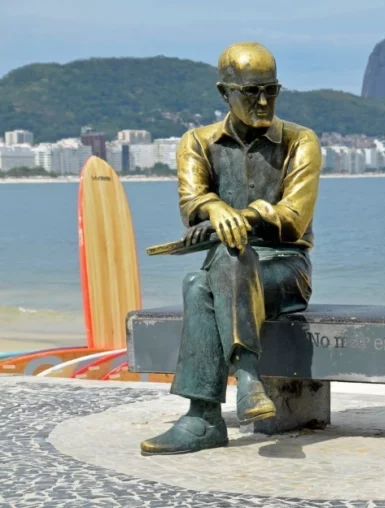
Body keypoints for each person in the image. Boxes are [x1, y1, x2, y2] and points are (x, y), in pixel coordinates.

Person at [140, 41, 322, 456]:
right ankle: (243, 385)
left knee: (213, 268)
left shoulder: (300, 142)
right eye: (251, 92)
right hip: (227, 272)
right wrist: (215, 208)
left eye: (271, 90)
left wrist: (244, 217)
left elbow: (294, 216)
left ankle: (205, 415)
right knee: (201, 279)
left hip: (285, 270)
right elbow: (192, 203)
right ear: (225, 93)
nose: (263, 101)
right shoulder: (197, 142)